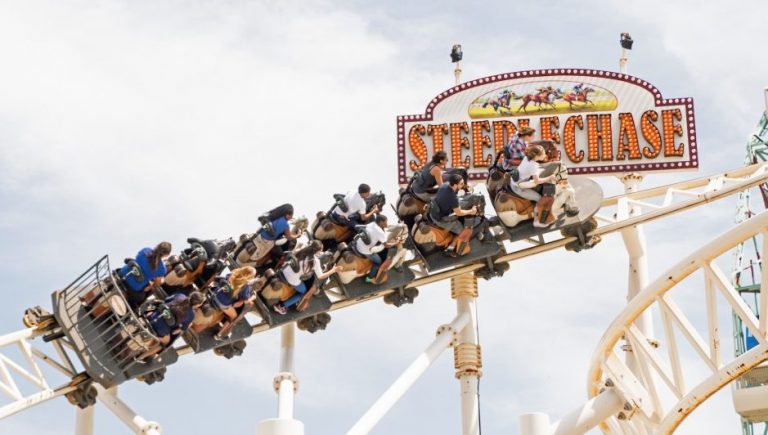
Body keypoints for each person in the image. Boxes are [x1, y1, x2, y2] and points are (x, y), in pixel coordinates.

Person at [511, 145, 578, 228]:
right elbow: (537, 181)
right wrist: (549, 178)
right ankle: (537, 221)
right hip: (519, 188)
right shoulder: (533, 166)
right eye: (543, 154)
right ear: (537, 156)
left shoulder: (527, 158)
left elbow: (538, 169)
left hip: (516, 181)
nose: (545, 155)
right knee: (541, 199)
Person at [273, 241, 340, 315]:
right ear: (318, 251)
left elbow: (293, 253)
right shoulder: (315, 261)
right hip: (291, 279)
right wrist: (333, 270)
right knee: (304, 293)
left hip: (284, 271)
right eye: (321, 250)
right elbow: (321, 276)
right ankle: (281, 306)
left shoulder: (303, 250)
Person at [118, 242, 173, 310]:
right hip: (133, 288)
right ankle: (127, 313)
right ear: (166, 255)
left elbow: (136, 260)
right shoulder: (162, 269)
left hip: (122, 275)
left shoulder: (146, 249)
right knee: (142, 297)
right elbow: (156, 284)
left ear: (157, 245)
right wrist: (150, 286)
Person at [211, 266, 258, 340]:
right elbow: (245, 300)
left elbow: (225, 278)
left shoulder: (233, 273)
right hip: (223, 303)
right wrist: (253, 297)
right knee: (234, 317)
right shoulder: (246, 285)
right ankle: (219, 335)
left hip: (215, 294)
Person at [355, 214, 400, 284]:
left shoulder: (371, 223)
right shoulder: (380, 232)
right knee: (378, 262)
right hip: (366, 251)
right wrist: (396, 242)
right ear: (381, 222)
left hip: (357, 244)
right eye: (385, 222)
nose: (387, 224)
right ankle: (369, 278)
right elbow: (387, 246)